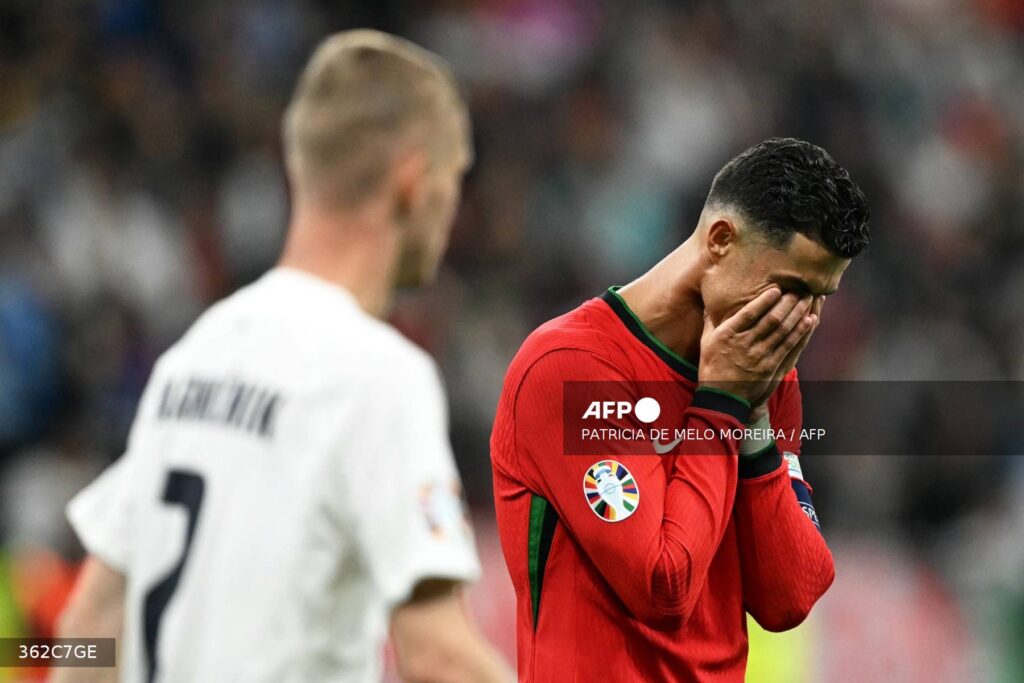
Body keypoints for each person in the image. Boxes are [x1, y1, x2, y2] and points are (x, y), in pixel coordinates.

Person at [54, 30, 512, 683]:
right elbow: (437, 654)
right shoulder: (377, 375)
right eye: (454, 177)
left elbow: (87, 630)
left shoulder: (195, 354)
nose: (453, 205)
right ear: (413, 180)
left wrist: (29, 656)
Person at [491, 138, 869, 681]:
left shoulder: (767, 377)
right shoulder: (571, 367)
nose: (803, 320)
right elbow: (663, 586)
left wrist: (754, 421)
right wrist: (720, 408)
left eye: (821, 298)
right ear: (720, 240)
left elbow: (790, 597)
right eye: (792, 288)